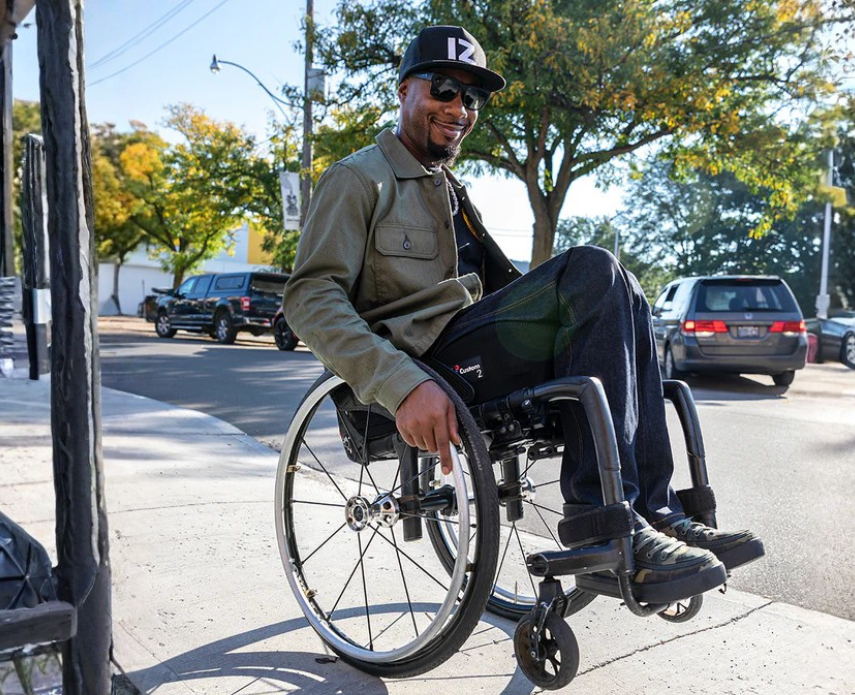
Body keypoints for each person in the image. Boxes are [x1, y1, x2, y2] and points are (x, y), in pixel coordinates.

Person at [284, 25, 764, 603]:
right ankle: (604, 526)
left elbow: (500, 287)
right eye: (444, 89)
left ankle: (655, 516)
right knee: (593, 266)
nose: (459, 108)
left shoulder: (452, 193)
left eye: (472, 99)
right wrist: (399, 383)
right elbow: (310, 298)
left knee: (623, 288)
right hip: (422, 360)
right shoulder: (359, 179)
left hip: (474, 345)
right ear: (405, 90)